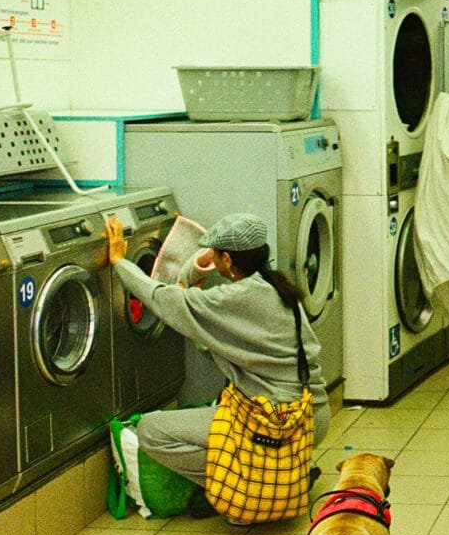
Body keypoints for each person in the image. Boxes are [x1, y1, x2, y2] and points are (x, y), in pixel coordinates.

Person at [106, 211, 329, 519]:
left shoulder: (238, 296)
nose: (208, 256)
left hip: (273, 423)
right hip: (312, 416)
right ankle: (286, 470)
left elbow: (163, 299)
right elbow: (218, 341)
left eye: (213, 253)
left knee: (151, 431)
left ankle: (247, 486)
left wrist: (120, 263)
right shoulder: (276, 287)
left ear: (226, 259)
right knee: (215, 412)